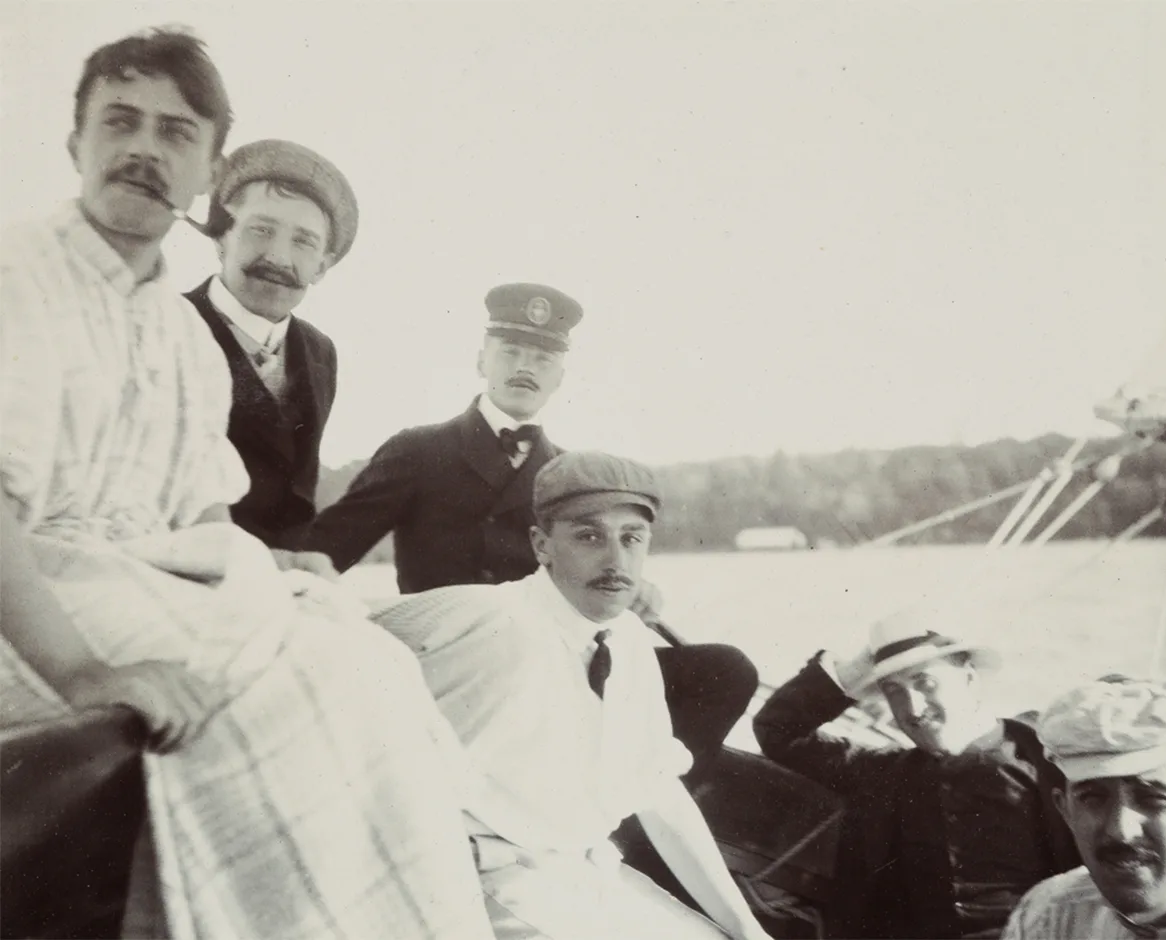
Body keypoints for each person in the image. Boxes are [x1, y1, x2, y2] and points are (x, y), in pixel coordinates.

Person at [0, 28, 496, 939]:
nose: (146, 150)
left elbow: (198, 516)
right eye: (120, 121)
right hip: (34, 605)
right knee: (319, 683)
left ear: (203, 177)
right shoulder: (16, 274)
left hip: (139, 583)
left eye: (177, 134)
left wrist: (275, 585)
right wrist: (85, 674)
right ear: (75, 142)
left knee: (370, 661)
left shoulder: (179, 336)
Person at [291, 283, 759, 786]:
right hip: (459, 664)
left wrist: (627, 588)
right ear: (481, 362)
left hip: (556, 663)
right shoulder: (419, 450)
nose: (525, 367)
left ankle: (634, 822)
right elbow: (324, 554)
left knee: (726, 671)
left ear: (559, 377)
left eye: (541, 357)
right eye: (510, 352)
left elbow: (585, 576)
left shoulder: (567, 471)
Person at [372, 451, 773, 940]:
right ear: (541, 545)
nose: (616, 561)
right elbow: (337, 641)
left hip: (582, 874)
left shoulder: (625, 639)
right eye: (589, 537)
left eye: (631, 539)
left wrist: (747, 929)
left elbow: (659, 795)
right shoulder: (497, 622)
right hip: (478, 882)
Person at [753, 612, 1080, 938]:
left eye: (925, 683)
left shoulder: (1050, 760)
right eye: (894, 691)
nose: (913, 707)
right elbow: (779, 731)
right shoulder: (882, 773)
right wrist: (856, 670)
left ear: (969, 679)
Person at [184, 138, 356, 546]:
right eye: (261, 230)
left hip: (281, 583)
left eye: (303, 242)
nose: (278, 257)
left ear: (322, 267)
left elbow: (297, 500)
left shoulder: (320, 352)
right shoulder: (169, 325)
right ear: (220, 239)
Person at [1002, 675, 1166, 939]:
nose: (1121, 830)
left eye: (1152, 798)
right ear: (1066, 811)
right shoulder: (1045, 917)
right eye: (1092, 798)